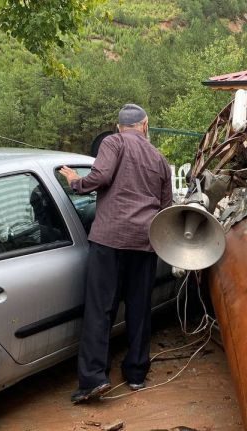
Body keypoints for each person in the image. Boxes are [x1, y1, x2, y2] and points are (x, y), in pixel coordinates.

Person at [60, 104, 173, 404]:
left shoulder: (113, 142)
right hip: (145, 243)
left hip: (110, 241)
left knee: (101, 310)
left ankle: (94, 379)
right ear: (145, 124)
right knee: (139, 310)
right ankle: (136, 374)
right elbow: (166, 207)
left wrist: (75, 181)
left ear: (119, 126)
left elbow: (101, 176)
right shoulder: (160, 159)